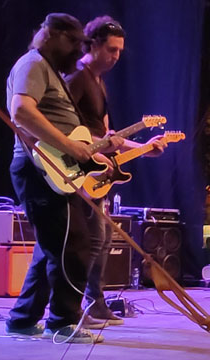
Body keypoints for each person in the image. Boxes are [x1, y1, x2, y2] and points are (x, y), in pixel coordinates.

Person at [4, 13, 122, 343]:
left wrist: (90, 155)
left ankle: (23, 319)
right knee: (75, 244)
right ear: (51, 35)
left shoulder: (50, 71)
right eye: (72, 42)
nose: (76, 51)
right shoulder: (33, 64)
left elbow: (66, 131)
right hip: (38, 169)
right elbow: (21, 111)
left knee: (53, 247)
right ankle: (63, 321)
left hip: (55, 169)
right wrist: (71, 146)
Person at [65, 16, 166, 325]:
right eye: (111, 49)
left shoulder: (99, 83)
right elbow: (66, 128)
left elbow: (108, 136)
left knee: (104, 237)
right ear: (92, 45)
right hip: (78, 168)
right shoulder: (77, 77)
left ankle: (91, 303)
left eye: (120, 51)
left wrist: (143, 148)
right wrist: (93, 148)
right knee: (93, 239)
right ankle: (76, 306)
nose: (116, 57)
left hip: (95, 169)